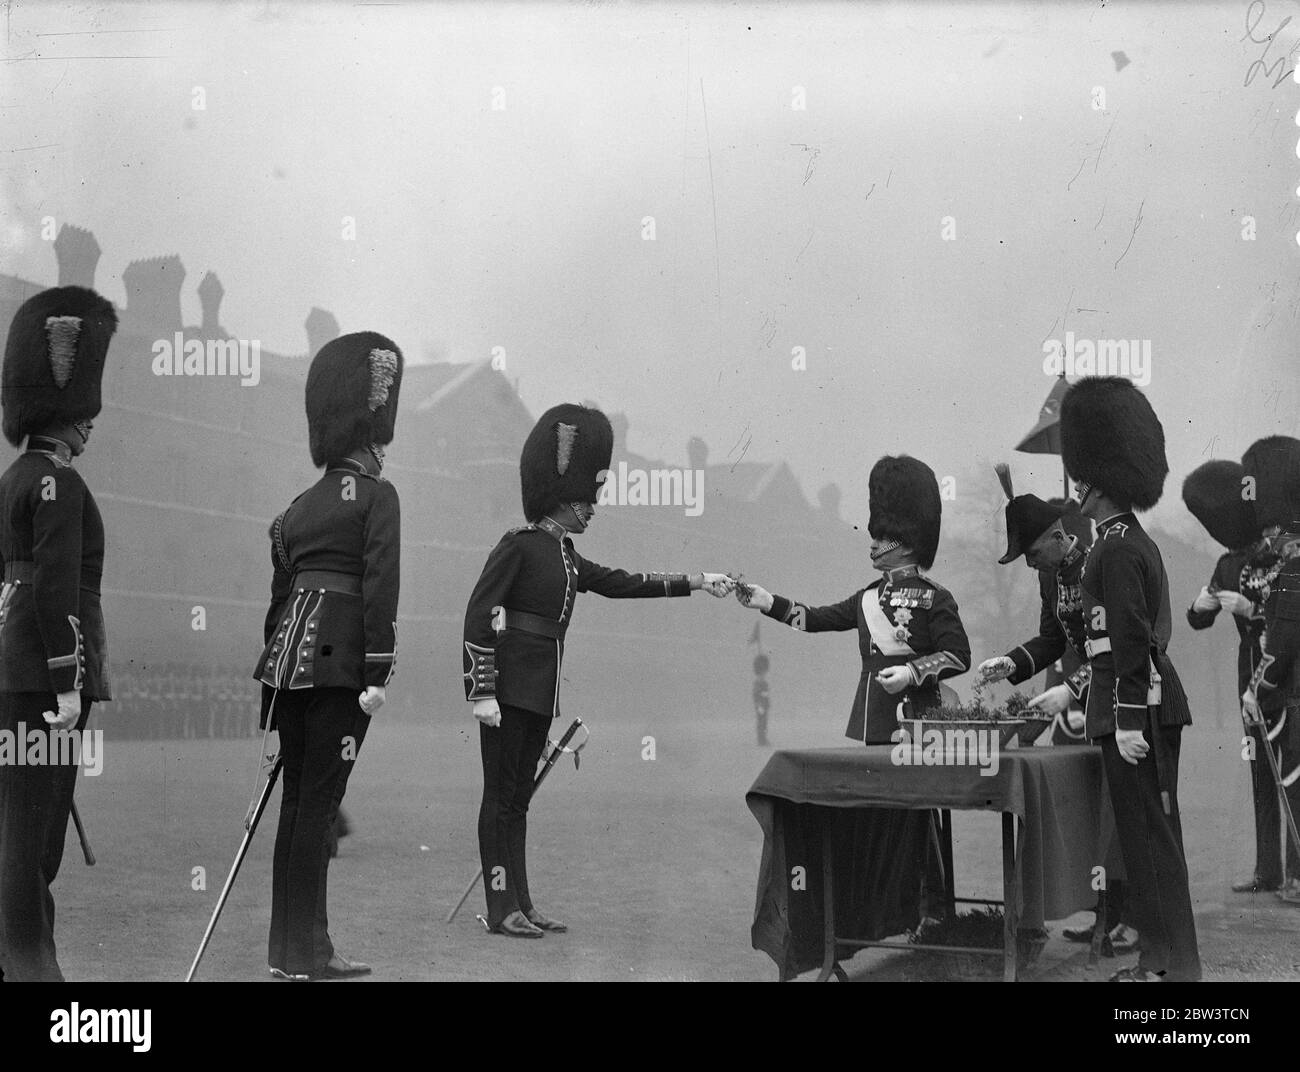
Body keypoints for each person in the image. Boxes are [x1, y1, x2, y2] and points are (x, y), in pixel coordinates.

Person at [463, 403, 733, 938]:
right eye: (585, 499)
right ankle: (500, 908)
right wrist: (481, 689)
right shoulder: (517, 546)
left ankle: (522, 902)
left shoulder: (567, 557)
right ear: (561, 498)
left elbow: (626, 582)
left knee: (517, 801)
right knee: (499, 799)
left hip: (539, 694)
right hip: (507, 692)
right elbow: (478, 614)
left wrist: (696, 580)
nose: (593, 509)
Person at [735, 455, 969, 927]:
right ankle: (901, 910)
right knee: (885, 819)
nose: (874, 543)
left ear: (905, 542)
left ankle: (933, 908)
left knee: (916, 818)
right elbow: (816, 618)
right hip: (875, 721)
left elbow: (957, 655)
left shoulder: (933, 597)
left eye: (883, 537)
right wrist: (768, 603)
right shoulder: (865, 597)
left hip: (917, 723)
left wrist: (913, 673)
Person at [253, 331, 401, 980]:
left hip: (287, 674)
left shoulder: (292, 513)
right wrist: (377, 671)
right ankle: (313, 952)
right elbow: (379, 587)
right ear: (370, 440)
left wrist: (270, 694)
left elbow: (276, 609)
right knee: (319, 809)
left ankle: (286, 953)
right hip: (343, 674)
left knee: (296, 811)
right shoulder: (376, 498)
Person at [1060, 375, 1200, 982]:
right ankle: (1170, 962)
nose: (1078, 491)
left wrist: (1125, 719)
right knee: (1151, 841)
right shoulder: (1124, 541)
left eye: (1083, 479)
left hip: (1136, 714)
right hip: (1137, 707)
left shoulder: (1115, 549)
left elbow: (1130, 642)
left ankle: (1167, 967)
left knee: (1149, 844)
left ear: (1098, 480)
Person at [0, 285, 116, 981]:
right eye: (84, 417)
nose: (88, 429)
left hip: (9, 674)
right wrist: (69, 682)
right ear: (67, 414)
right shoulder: (61, 486)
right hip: (46, 684)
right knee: (36, 837)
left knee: (12, 821)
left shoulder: (12, 480)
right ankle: (33, 967)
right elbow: (56, 590)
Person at [975, 464, 1136, 954]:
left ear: (1056, 536)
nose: (1027, 564)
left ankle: (1131, 919)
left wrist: (1073, 688)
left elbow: (1117, 649)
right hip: (1085, 704)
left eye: (1030, 553)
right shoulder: (1049, 579)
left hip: (1122, 701)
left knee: (1120, 813)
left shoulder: (1099, 566)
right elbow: (1052, 638)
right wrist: (1011, 661)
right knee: (1089, 813)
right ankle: (1102, 914)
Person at [1182, 458, 1276, 893]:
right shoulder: (1225, 564)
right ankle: (1268, 869)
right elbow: (1199, 620)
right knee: (1259, 768)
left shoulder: (1282, 552)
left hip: (1284, 669)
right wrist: (1199, 607)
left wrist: (1253, 610)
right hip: (1248, 676)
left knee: (1291, 771)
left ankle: (1294, 870)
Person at [1240, 436, 1300, 904]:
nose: (1271, 540)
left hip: (1294, 693)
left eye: (1275, 531)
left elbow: (1281, 641)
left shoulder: (1295, 566)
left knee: (1296, 782)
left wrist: (1257, 688)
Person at [752, 653, 771, 746]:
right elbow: (757, 694)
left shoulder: (763, 681)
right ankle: (761, 740)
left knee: (764, 722)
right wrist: (760, 702)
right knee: (761, 722)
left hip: (763, 704)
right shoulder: (759, 682)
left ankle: (763, 739)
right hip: (760, 704)